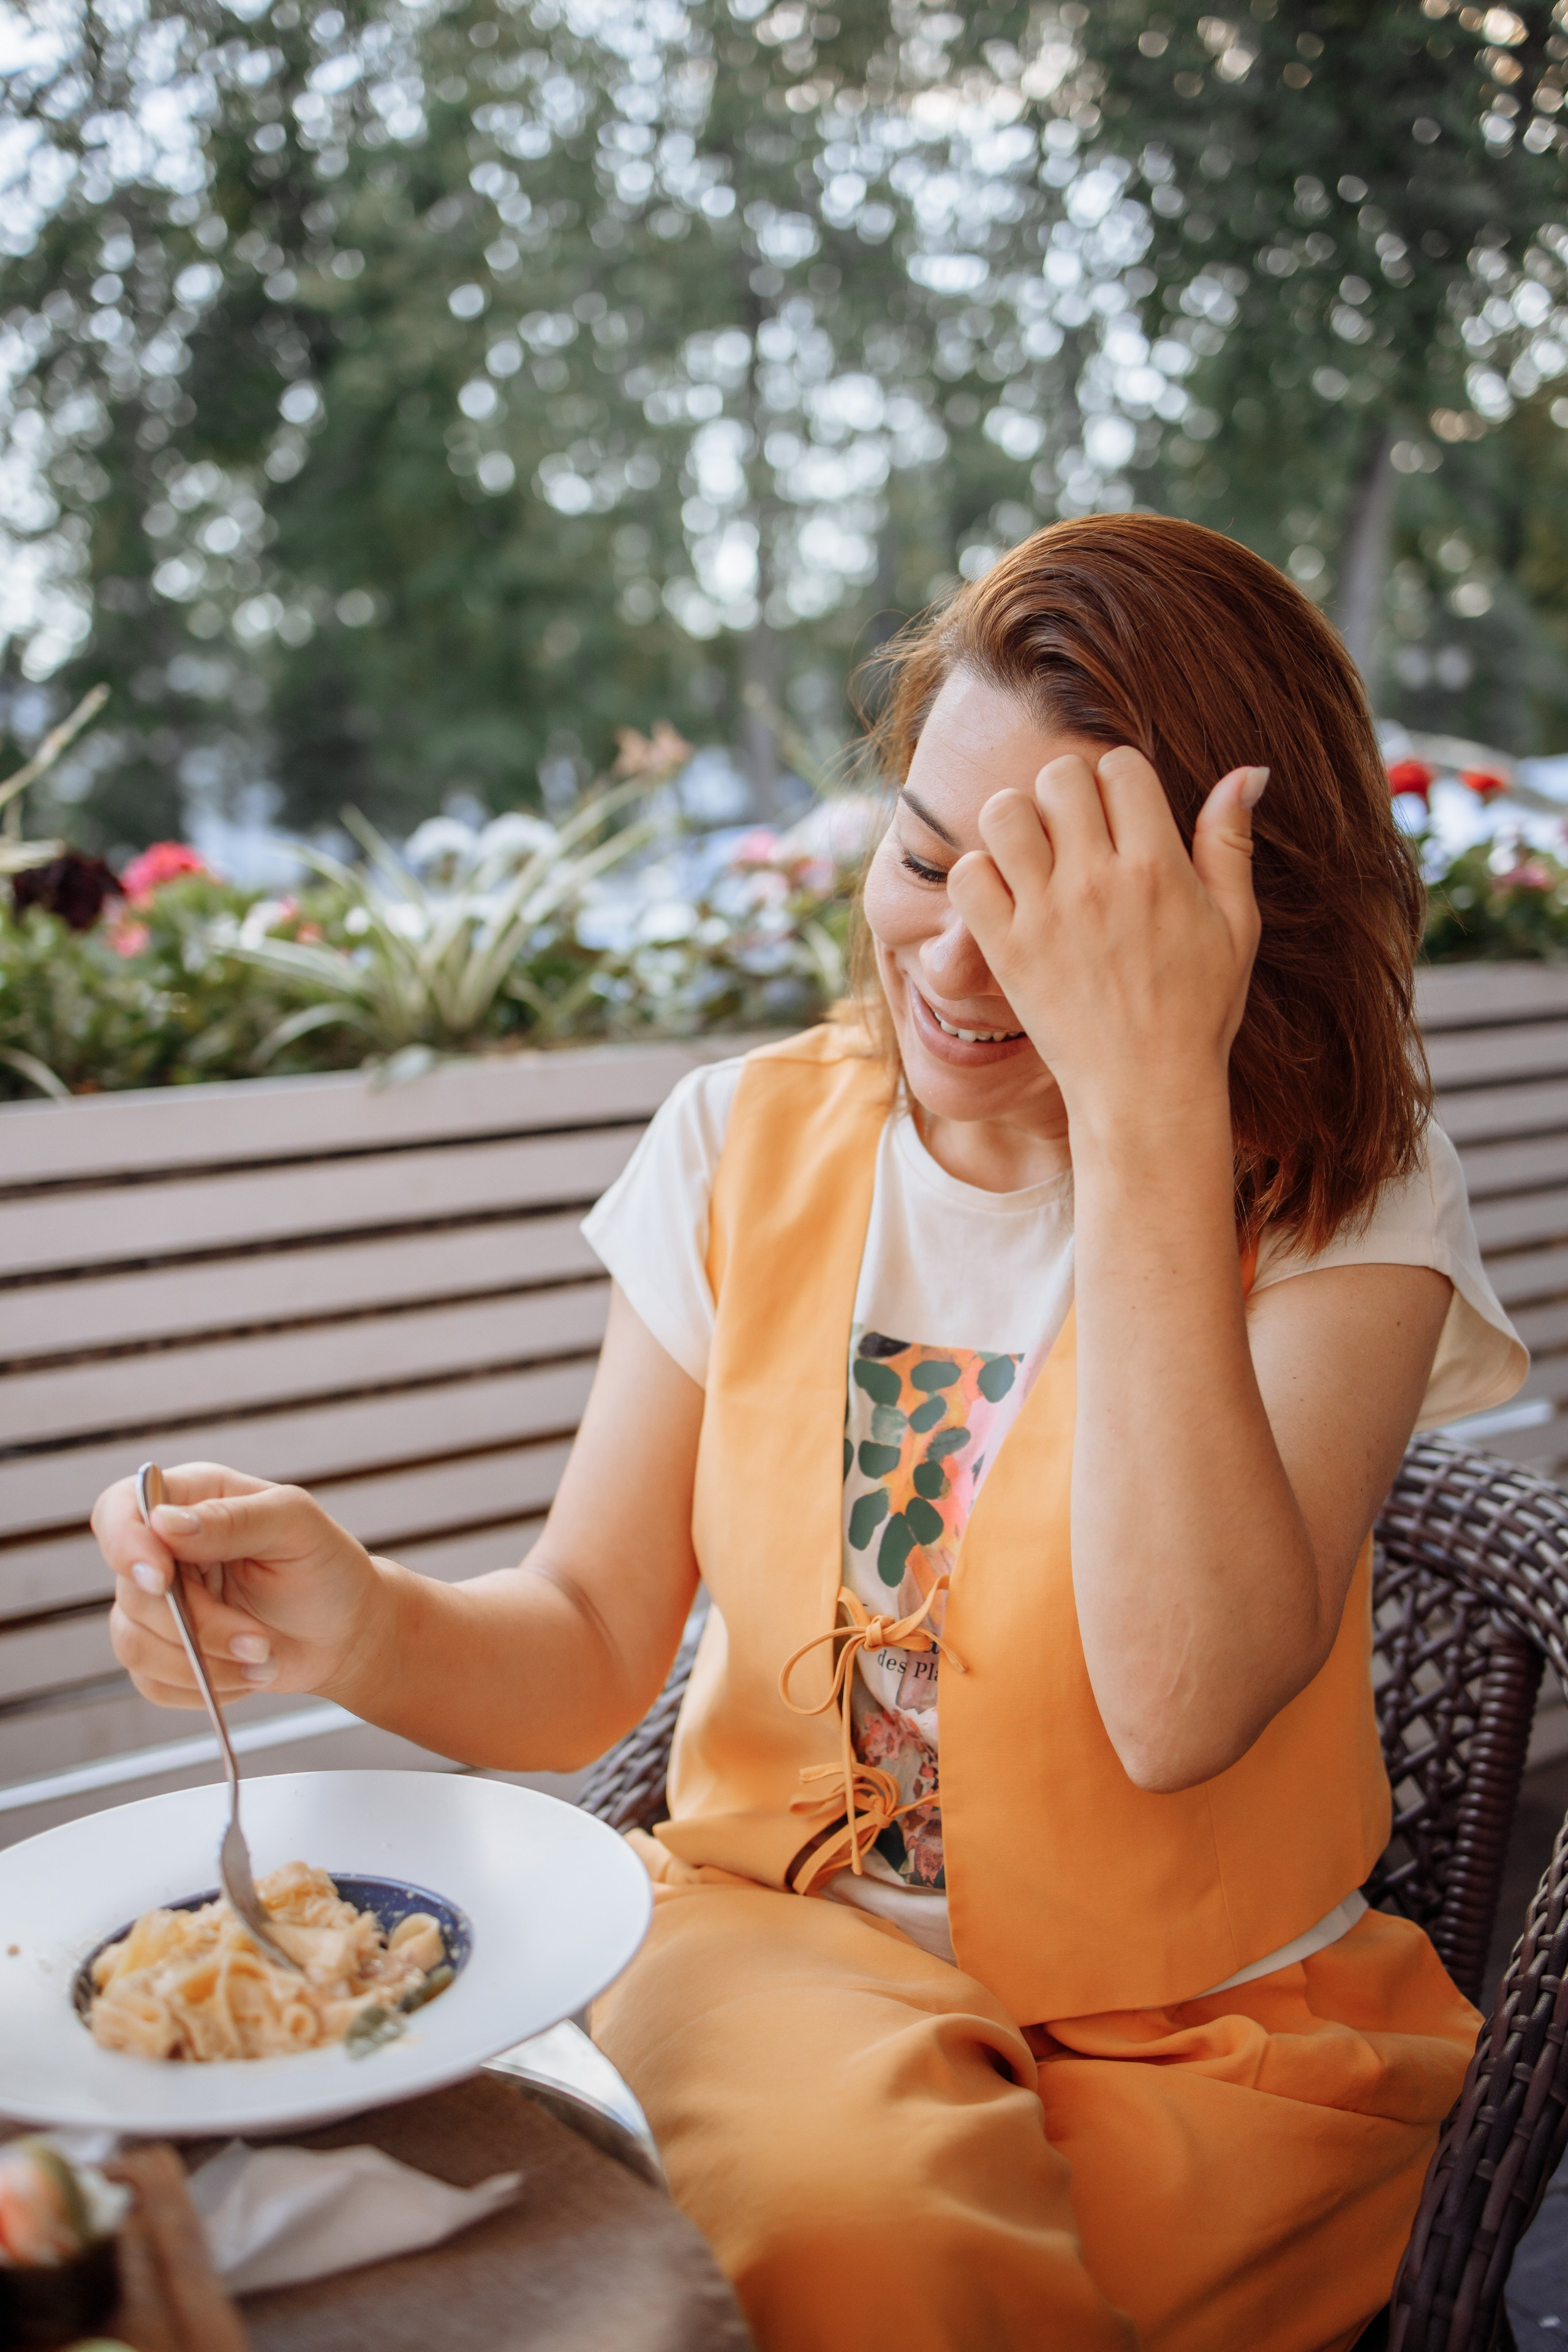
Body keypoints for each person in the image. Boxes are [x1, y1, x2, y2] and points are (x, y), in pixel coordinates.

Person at [92, 514, 1527, 2352]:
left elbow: (1183, 1704)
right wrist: (350, 1617)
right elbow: (593, 1644)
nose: (959, 956)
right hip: (778, 1959)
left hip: (1222, 2043)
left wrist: (1152, 1093)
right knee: (861, 2233)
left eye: (1061, 908)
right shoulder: (739, 1141)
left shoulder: (1346, 1192)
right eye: (930, 859)